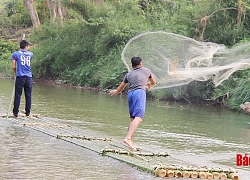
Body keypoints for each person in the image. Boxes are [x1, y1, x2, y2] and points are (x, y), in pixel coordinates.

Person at [109, 56, 156, 151]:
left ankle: (131, 144)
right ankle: (128, 138)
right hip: (139, 93)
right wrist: (149, 85)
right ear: (141, 64)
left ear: (132, 65)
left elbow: (120, 88)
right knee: (138, 118)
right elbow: (153, 82)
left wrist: (115, 91)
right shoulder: (147, 70)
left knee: (133, 120)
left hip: (130, 94)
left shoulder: (128, 74)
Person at [11, 40, 33, 117]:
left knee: (18, 95)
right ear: (26, 46)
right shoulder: (30, 54)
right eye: (28, 46)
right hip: (29, 77)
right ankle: (28, 112)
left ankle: (15, 113)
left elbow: (13, 66)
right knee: (28, 95)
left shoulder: (15, 54)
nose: (29, 47)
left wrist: (15, 72)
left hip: (20, 76)